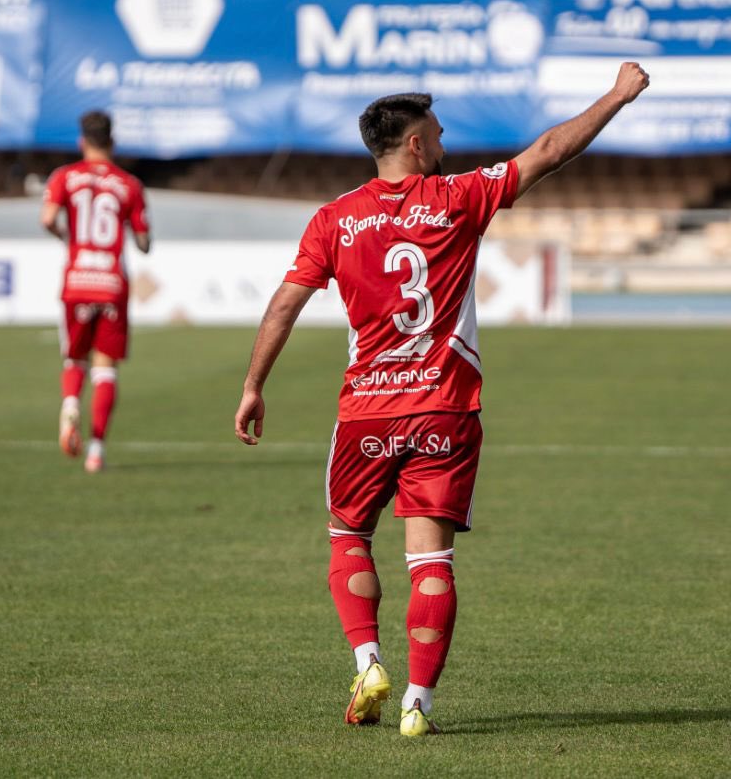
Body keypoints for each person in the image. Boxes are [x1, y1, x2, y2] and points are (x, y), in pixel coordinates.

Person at [233, 63, 650, 735]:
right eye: (438, 131)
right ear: (416, 146)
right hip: (443, 411)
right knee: (429, 560)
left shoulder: (333, 219)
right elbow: (549, 151)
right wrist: (617, 95)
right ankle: (417, 704)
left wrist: (254, 385)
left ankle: (367, 659)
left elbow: (285, 302)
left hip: (365, 411)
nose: (447, 139)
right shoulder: (459, 197)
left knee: (348, 536)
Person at [41, 110, 151, 473]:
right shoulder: (129, 184)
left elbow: (47, 218)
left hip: (77, 280)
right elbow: (143, 240)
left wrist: (66, 237)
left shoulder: (64, 177)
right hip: (111, 283)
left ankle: (71, 402)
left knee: (75, 359)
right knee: (106, 368)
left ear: (81, 141)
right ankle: (97, 451)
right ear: (113, 142)